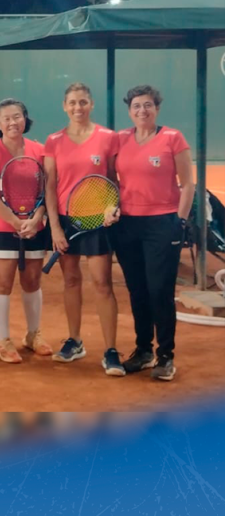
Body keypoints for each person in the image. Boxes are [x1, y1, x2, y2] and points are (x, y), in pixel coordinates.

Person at [105, 85, 194, 381]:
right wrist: (111, 206)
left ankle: (165, 355)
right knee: (138, 290)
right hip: (128, 225)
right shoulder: (120, 139)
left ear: (157, 108)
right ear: (129, 111)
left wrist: (179, 221)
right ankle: (143, 350)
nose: (142, 110)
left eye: (147, 105)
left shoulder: (173, 138)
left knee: (160, 290)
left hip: (163, 224)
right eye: (136, 106)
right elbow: (112, 180)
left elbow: (188, 184)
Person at [44, 82, 123, 375]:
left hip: (98, 221)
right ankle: (75, 341)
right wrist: (55, 228)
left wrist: (112, 207)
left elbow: (113, 180)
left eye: (83, 102)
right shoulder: (53, 141)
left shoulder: (108, 138)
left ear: (91, 105)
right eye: (73, 102)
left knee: (102, 283)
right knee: (71, 281)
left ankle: (111, 350)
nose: (78, 107)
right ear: (64, 106)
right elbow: (50, 187)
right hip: (67, 221)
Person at [0, 98, 52, 363]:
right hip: (2, 228)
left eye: (17, 116)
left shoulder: (39, 151)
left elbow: (47, 192)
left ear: (25, 118)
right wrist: (15, 221)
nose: (12, 122)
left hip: (35, 227)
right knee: (2, 284)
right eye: (6, 118)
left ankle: (33, 335)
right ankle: (4, 340)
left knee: (32, 282)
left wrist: (37, 218)